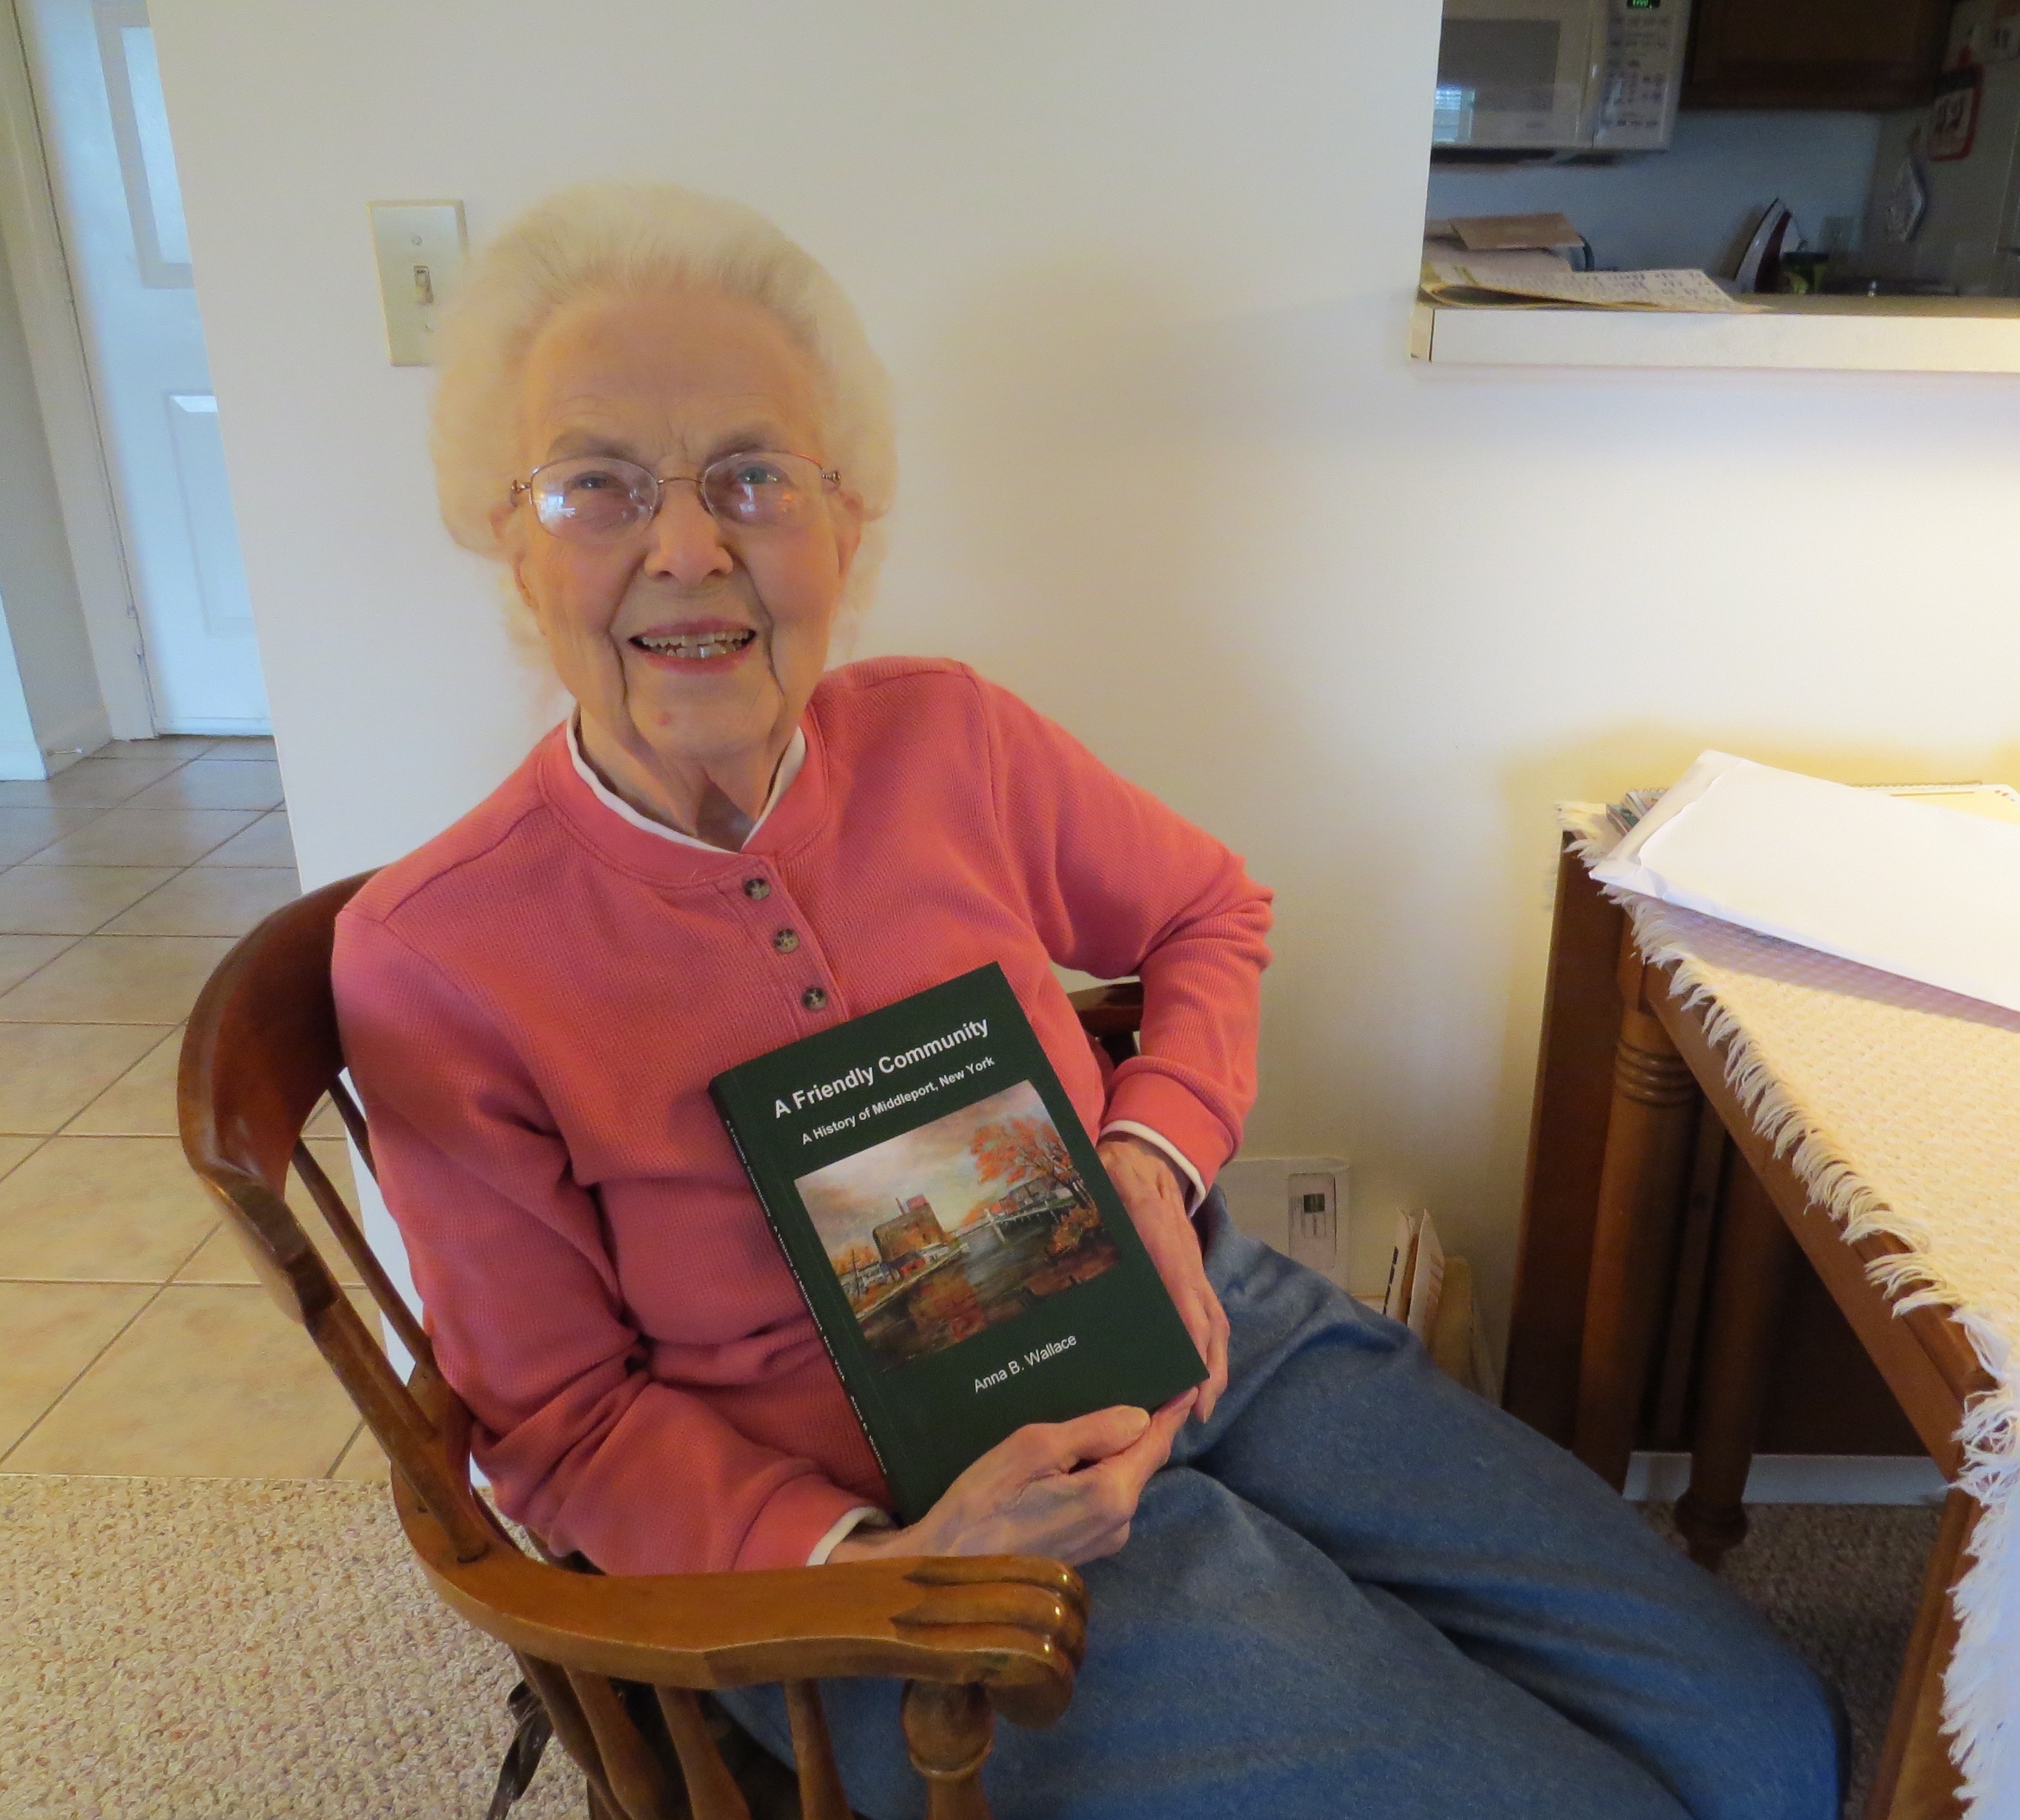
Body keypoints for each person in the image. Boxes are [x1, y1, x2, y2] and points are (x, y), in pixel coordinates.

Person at [332, 181, 1841, 1820]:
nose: (688, 548)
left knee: (1773, 1745)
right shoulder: (440, 957)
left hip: (1196, 1319)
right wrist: (887, 1565)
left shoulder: (947, 740)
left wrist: (1148, 1170)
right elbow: (555, 1428)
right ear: (508, 534)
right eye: (597, 485)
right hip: (915, 1537)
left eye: (753, 478)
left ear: (849, 523)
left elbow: (1208, 909)